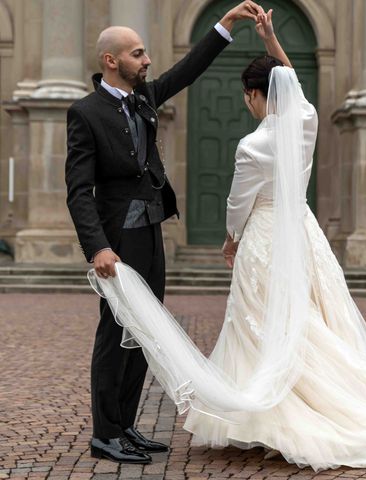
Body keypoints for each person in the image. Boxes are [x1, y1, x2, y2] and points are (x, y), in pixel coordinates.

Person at [90, 10, 366, 471]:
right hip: (301, 233)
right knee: (309, 319)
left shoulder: (253, 145)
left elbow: (238, 205)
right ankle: (131, 426)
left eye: (247, 95)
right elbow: (290, 84)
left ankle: (265, 419)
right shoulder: (306, 119)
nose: (246, 102)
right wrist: (271, 38)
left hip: (263, 238)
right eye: (137, 52)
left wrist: (230, 239)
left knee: (260, 323)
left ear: (255, 94)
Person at [65, 0, 265, 464]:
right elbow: (78, 190)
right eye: (137, 54)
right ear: (111, 61)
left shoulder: (144, 98)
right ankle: (105, 433)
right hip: (118, 240)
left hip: (151, 229)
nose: (147, 60)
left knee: (146, 331)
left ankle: (127, 425)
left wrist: (227, 23)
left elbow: (187, 71)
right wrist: (97, 246)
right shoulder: (86, 113)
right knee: (115, 332)